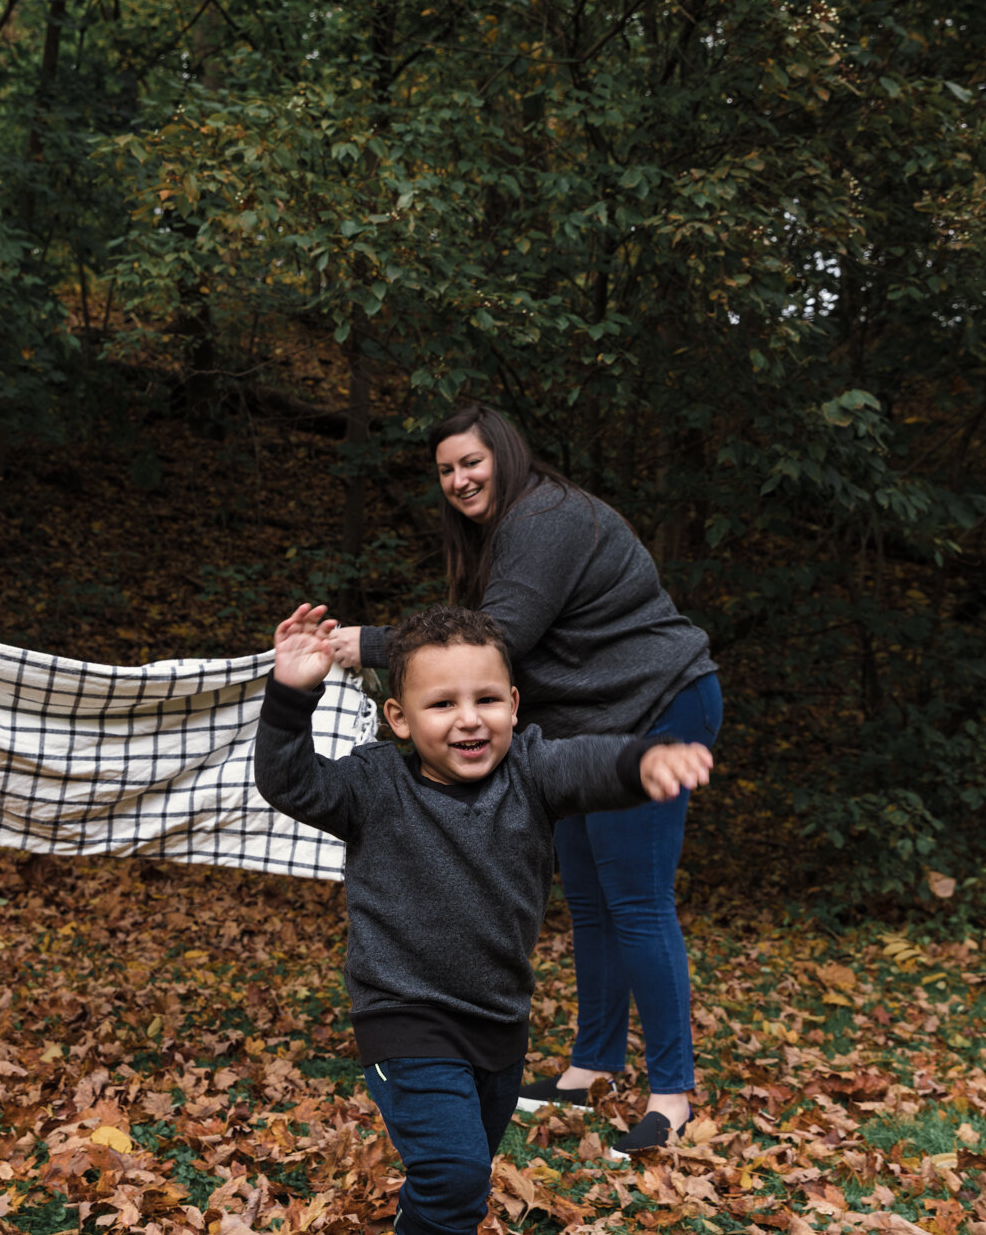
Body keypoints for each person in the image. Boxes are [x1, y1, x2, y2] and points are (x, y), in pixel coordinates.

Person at [328, 405, 720, 1153]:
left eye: (470, 462)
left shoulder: (546, 517)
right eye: (445, 469)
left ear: (504, 456)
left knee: (635, 900)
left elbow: (497, 638)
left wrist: (372, 643)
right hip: (586, 727)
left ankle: (672, 1095)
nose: (458, 479)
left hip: (655, 707)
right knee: (591, 901)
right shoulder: (505, 531)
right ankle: (592, 1067)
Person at [256, 602, 712, 1235]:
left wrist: (641, 764)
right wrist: (288, 697)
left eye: (488, 699)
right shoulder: (374, 783)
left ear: (516, 706)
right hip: (405, 1018)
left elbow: (586, 763)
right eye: (442, 704)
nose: (469, 719)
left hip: (500, 1023)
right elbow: (290, 783)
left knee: (457, 1183)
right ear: (400, 718)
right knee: (455, 1174)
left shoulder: (531, 770)